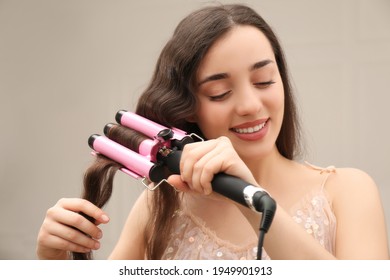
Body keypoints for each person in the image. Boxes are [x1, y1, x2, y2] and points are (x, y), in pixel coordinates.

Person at [36, 4, 389, 260]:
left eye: (264, 80)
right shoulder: (160, 206)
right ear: (187, 106)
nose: (250, 105)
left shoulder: (348, 192)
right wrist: (54, 260)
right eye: (219, 93)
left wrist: (251, 201)